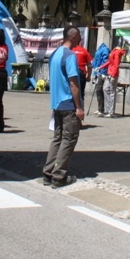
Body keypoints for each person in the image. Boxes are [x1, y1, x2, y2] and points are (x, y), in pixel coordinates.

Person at [43, 26, 84, 188]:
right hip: (68, 103)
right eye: (79, 36)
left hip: (56, 103)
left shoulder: (54, 54)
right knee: (69, 139)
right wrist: (79, 107)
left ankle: (48, 172)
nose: (80, 39)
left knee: (58, 138)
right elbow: (73, 83)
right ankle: (59, 176)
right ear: (73, 36)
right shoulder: (70, 56)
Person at [94, 42, 126, 118]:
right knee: (105, 89)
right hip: (109, 72)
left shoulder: (117, 53)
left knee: (112, 92)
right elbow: (109, 62)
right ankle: (108, 109)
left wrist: (113, 75)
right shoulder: (113, 51)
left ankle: (111, 111)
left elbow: (116, 64)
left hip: (112, 74)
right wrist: (101, 67)